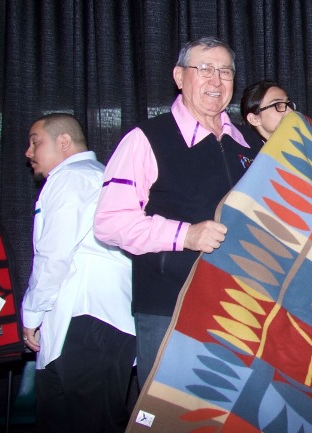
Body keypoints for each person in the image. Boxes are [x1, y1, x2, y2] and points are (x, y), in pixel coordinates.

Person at [94, 36, 263, 389]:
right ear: (178, 76)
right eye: (204, 69)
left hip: (244, 309)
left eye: (225, 71)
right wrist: (185, 234)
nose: (216, 81)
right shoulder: (145, 139)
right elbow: (109, 224)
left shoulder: (249, 144)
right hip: (171, 310)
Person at [22, 113, 136, 433]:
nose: (28, 153)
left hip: (90, 323)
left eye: (35, 143)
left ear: (63, 142)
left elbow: (53, 255)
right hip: (83, 325)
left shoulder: (73, 176)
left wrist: (32, 314)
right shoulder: (92, 176)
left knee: (92, 423)